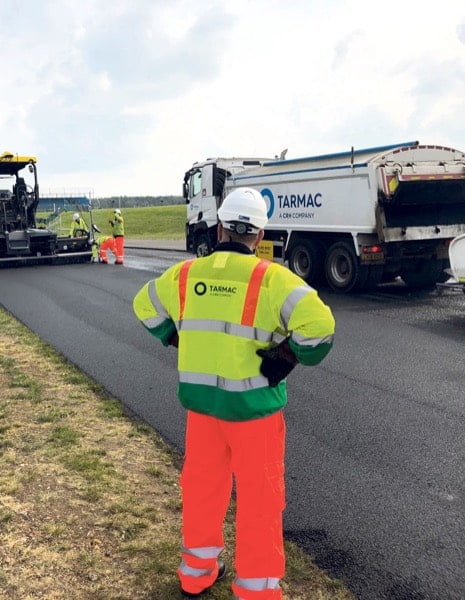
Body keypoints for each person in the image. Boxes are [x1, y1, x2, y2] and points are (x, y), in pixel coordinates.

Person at [132, 187, 336, 599]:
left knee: (202, 488)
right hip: (255, 412)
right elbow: (321, 330)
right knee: (260, 497)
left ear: (221, 226)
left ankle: (196, 572)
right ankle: (256, 587)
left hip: (203, 410)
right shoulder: (274, 279)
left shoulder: (186, 275)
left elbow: (144, 305)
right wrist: (288, 355)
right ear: (259, 236)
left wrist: (176, 337)